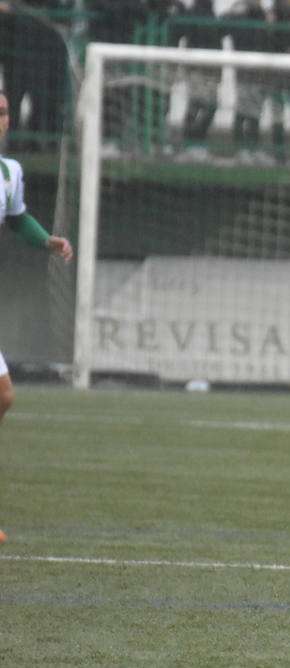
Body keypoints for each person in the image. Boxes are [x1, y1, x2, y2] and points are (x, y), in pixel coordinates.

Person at [2, 89, 74, 543]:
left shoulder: (9, 173)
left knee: (3, 398)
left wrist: (47, 240)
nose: (0, 119)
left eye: (4, 112)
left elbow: (16, 217)